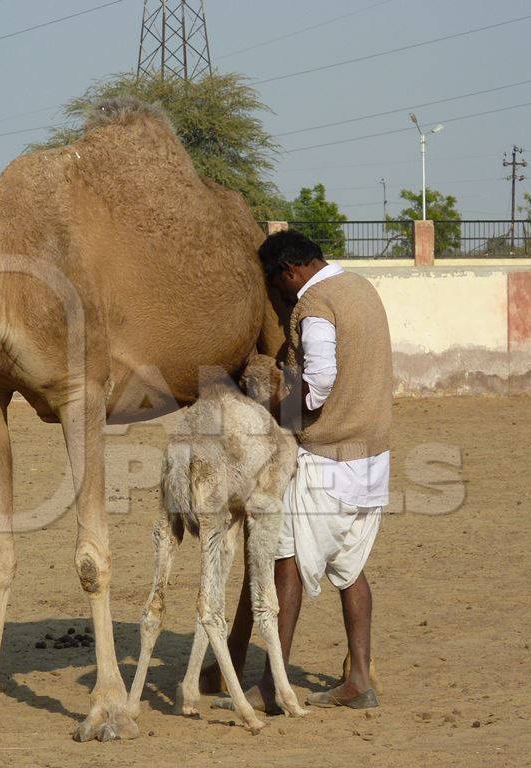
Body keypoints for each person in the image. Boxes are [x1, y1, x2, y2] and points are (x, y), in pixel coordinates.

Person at [205, 229, 393, 711]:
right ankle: (360, 679)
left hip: (328, 458)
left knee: (284, 562)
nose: (280, 296)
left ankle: (272, 685)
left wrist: (279, 405)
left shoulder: (316, 305)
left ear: (289, 272)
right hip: (373, 459)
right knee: (349, 569)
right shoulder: (361, 288)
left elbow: (322, 379)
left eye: (276, 285)